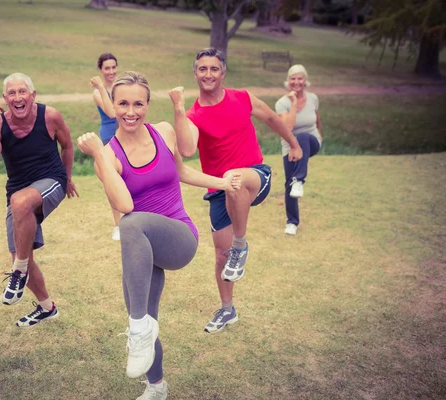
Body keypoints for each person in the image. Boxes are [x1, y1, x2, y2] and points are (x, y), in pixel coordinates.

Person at [77, 71, 241, 400]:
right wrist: (98, 154)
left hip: (179, 238)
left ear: (148, 104)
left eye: (138, 103)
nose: (130, 111)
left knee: (129, 225)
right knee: (143, 313)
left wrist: (221, 182)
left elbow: (179, 171)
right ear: (113, 104)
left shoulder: (163, 132)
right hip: (143, 248)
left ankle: (137, 330)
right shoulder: (108, 156)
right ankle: (156, 385)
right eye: (122, 103)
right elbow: (122, 202)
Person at [176, 48, 303, 334]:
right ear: (195, 73)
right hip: (220, 189)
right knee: (221, 254)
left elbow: (272, 119)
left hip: (255, 176)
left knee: (234, 178)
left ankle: (241, 244)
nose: (208, 74)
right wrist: (179, 111)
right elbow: (186, 149)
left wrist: (294, 144)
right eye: (202, 69)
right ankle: (227, 309)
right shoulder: (195, 115)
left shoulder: (242, 98)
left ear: (223, 73)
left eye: (214, 69)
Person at [0, 73, 78, 327]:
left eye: (22, 91)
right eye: (11, 93)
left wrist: (67, 178)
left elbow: (67, 146)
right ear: (4, 98)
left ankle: (18, 271)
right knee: (21, 252)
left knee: (21, 205)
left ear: (33, 96)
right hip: (17, 192)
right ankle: (47, 307)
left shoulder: (50, 116)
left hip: (50, 181)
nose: (17, 97)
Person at [275, 65, 322, 236]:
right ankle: (292, 223)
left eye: (300, 78)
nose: (296, 82)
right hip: (290, 146)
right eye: (293, 78)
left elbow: (317, 118)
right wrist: (294, 103)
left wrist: (320, 135)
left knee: (302, 137)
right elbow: (287, 127)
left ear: (305, 80)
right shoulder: (282, 103)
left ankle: (299, 180)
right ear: (288, 81)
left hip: (311, 142)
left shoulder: (313, 98)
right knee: (289, 184)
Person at [91, 53, 122, 240]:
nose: (111, 71)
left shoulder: (122, 85)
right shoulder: (97, 92)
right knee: (112, 182)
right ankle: (118, 225)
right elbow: (111, 113)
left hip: (127, 136)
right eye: (107, 68)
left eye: (113, 67)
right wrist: (102, 87)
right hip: (109, 138)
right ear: (101, 70)